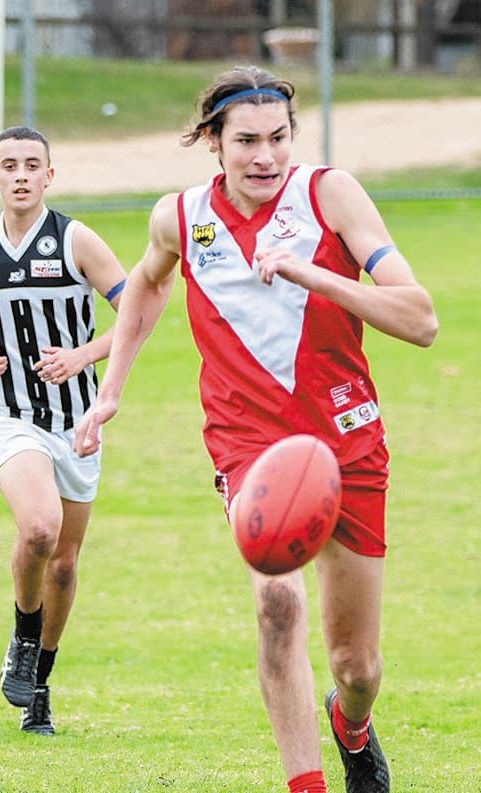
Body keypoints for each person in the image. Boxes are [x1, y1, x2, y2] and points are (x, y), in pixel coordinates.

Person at [73, 66, 437, 793]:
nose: (265, 156)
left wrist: (314, 275)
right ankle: (306, 784)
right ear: (213, 141)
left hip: (347, 443)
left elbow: (420, 319)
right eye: (246, 141)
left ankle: (352, 724)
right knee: (276, 600)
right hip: (251, 447)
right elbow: (146, 284)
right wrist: (110, 388)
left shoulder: (330, 194)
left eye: (278, 138)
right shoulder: (178, 217)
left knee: (355, 666)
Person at [0, 126, 128, 735]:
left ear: (49, 176)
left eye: (31, 164)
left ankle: (38, 680)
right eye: (8, 164)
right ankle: (22, 633)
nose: (19, 174)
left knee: (64, 563)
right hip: (5, 414)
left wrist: (81, 356)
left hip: (76, 422)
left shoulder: (76, 241)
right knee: (39, 528)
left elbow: (137, 314)